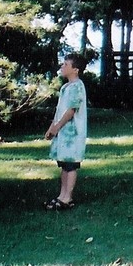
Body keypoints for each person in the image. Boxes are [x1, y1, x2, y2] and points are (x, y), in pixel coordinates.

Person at [44, 53, 88, 210]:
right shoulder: (66, 87)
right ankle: (61, 195)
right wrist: (52, 127)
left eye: (66, 65)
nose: (62, 67)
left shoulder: (77, 86)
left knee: (71, 164)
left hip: (72, 133)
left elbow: (71, 110)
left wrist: (58, 127)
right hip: (63, 133)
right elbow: (59, 111)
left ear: (75, 70)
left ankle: (68, 198)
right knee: (64, 164)